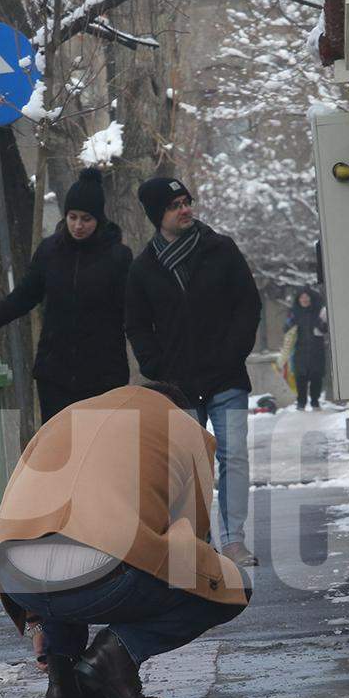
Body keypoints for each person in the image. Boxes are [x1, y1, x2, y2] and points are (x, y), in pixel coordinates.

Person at [0, 383, 251, 698]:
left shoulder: (64, 416)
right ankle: (117, 654)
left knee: (64, 534)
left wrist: (37, 620)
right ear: (180, 409)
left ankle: (64, 683)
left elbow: (24, 521)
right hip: (99, 579)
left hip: (15, 580)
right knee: (230, 584)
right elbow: (193, 543)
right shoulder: (184, 429)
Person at [124, 176, 263, 567]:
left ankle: (234, 540)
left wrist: (233, 352)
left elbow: (247, 304)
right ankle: (199, 542)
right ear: (157, 216)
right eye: (174, 206)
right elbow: (136, 325)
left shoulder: (221, 250)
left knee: (233, 455)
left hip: (226, 377)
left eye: (186, 202)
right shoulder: (144, 269)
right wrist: (157, 368)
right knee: (188, 465)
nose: (185, 209)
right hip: (178, 386)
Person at [0, 168, 132, 421]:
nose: (78, 225)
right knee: (60, 450)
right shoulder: (50, 251)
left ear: (99, 219)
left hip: (103, 374)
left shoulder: (118, 257)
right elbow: (25, 295)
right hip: (55, 373)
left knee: (97, 451)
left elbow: (132, 312)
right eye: (73, 217)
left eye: (86, 219)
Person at [285, 288, 329, 410]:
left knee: (316, 376)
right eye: (302, 297)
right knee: (300, 377)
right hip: (299, 350)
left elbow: (325, 329)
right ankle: (301, 402)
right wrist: (290, 324)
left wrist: (320, 324)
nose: (304, 299)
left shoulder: (318, 311)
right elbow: (286, 329)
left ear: (310, 298)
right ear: (298, 299)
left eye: (306, 297)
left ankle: (315, 401)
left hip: (316, 349)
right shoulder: (294, 312)